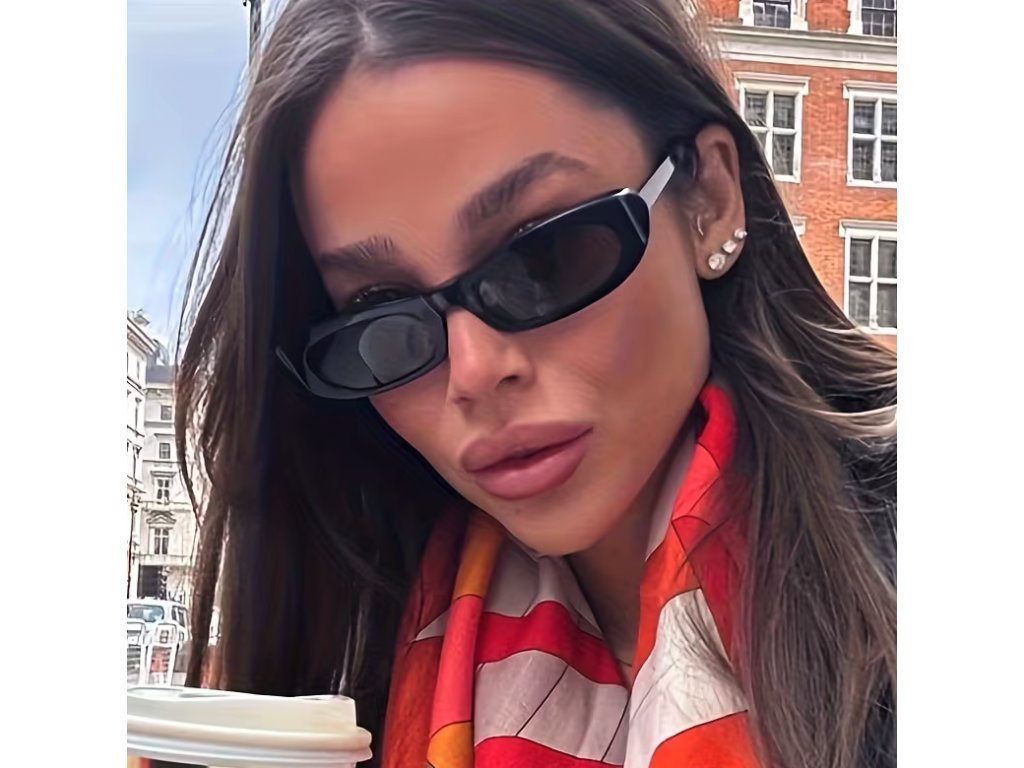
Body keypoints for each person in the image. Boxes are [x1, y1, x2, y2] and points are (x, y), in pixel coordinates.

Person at [176, 1, 896, 767]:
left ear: (710, 200)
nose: (475, 373)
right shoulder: (346, 670)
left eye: (542, 257)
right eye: (381, 316)